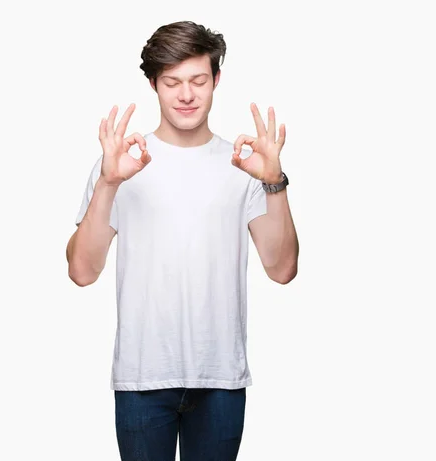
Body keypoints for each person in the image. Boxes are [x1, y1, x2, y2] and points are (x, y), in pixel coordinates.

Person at [65, 20, 299, 461]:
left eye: (198, 80)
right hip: (142, 378)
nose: (186, 95)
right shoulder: (119, 165)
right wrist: (108, 184)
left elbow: (282, 269)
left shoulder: (245, 166)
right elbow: (81, 271)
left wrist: (275, 183)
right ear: (153, 84)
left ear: (217, 80)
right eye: (172, 82)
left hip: (220, 380)